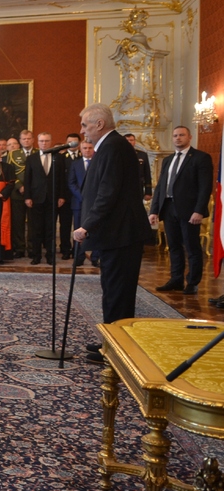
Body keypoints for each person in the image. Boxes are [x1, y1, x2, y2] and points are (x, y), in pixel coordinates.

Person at [73, 103, 149, 362]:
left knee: (118, 293)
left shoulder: (114, 148)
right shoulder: (110, 146)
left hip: (122, 234)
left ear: (99, 124)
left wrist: (87, 225)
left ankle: (117, 352)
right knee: (113, 290)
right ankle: (113, 342)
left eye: (85, 125)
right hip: (117, 234)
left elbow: (108, 192)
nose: (82, 131)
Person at [148, 125, 213, 295]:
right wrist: (154, 210)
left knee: (191, 247)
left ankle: (192, 282)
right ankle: (176, 279)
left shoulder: (200, 158)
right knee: (174, 246)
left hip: (190, 210)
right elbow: (161, 186)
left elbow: (205, 187)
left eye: (181, 135)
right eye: (175, 135)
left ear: (189, 137)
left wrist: (199, 210)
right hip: (168, 208)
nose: (178, 138)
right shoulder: (168, 160)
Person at [23, 132, 65, 265]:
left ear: (51, 141)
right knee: (36, 229)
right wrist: (27, 197)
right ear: (37, 142)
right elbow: (27, 179)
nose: (44, 143)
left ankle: (50, 256)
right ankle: (36, 256)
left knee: (50, 229)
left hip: (53, 198)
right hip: (36, 199)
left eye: (47, 141)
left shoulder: (58, 158)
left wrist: (62, 196)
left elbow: (62, 179)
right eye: (41, 141)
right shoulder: (32, 158)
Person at [68, 140, 99, 267]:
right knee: (78, 231)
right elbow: (71, 183)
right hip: (79, 203)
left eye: (90, 148)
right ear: (81, 149)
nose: (87, 150)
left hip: (95, 204)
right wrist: (82, 197)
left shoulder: (98, 163)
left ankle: (96, 257)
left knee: (96, 230)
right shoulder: (75, 164)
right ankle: (79, 257)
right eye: (85, 148)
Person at [7, 130, 34, 258]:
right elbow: (10, 173)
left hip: (34, 193)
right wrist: (19, 186)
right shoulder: (13, 154)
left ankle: (32, 248)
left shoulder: (38, 153)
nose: (26, 141)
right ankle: (19, 248)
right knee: (18, 223)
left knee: (33, 223)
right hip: (17, 193)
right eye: (24, 139)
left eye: (29, 138)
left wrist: (30, 189)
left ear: (33, 139)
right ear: (20, 141)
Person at [123, 133, 153, 201]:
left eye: (131, 140)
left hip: (138, 188)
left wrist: (148, 192)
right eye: (127, 140)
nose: (129, 142)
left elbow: (147, 173)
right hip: (122, 188)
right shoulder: (117, 154)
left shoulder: (142, 155)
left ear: (134, 141)